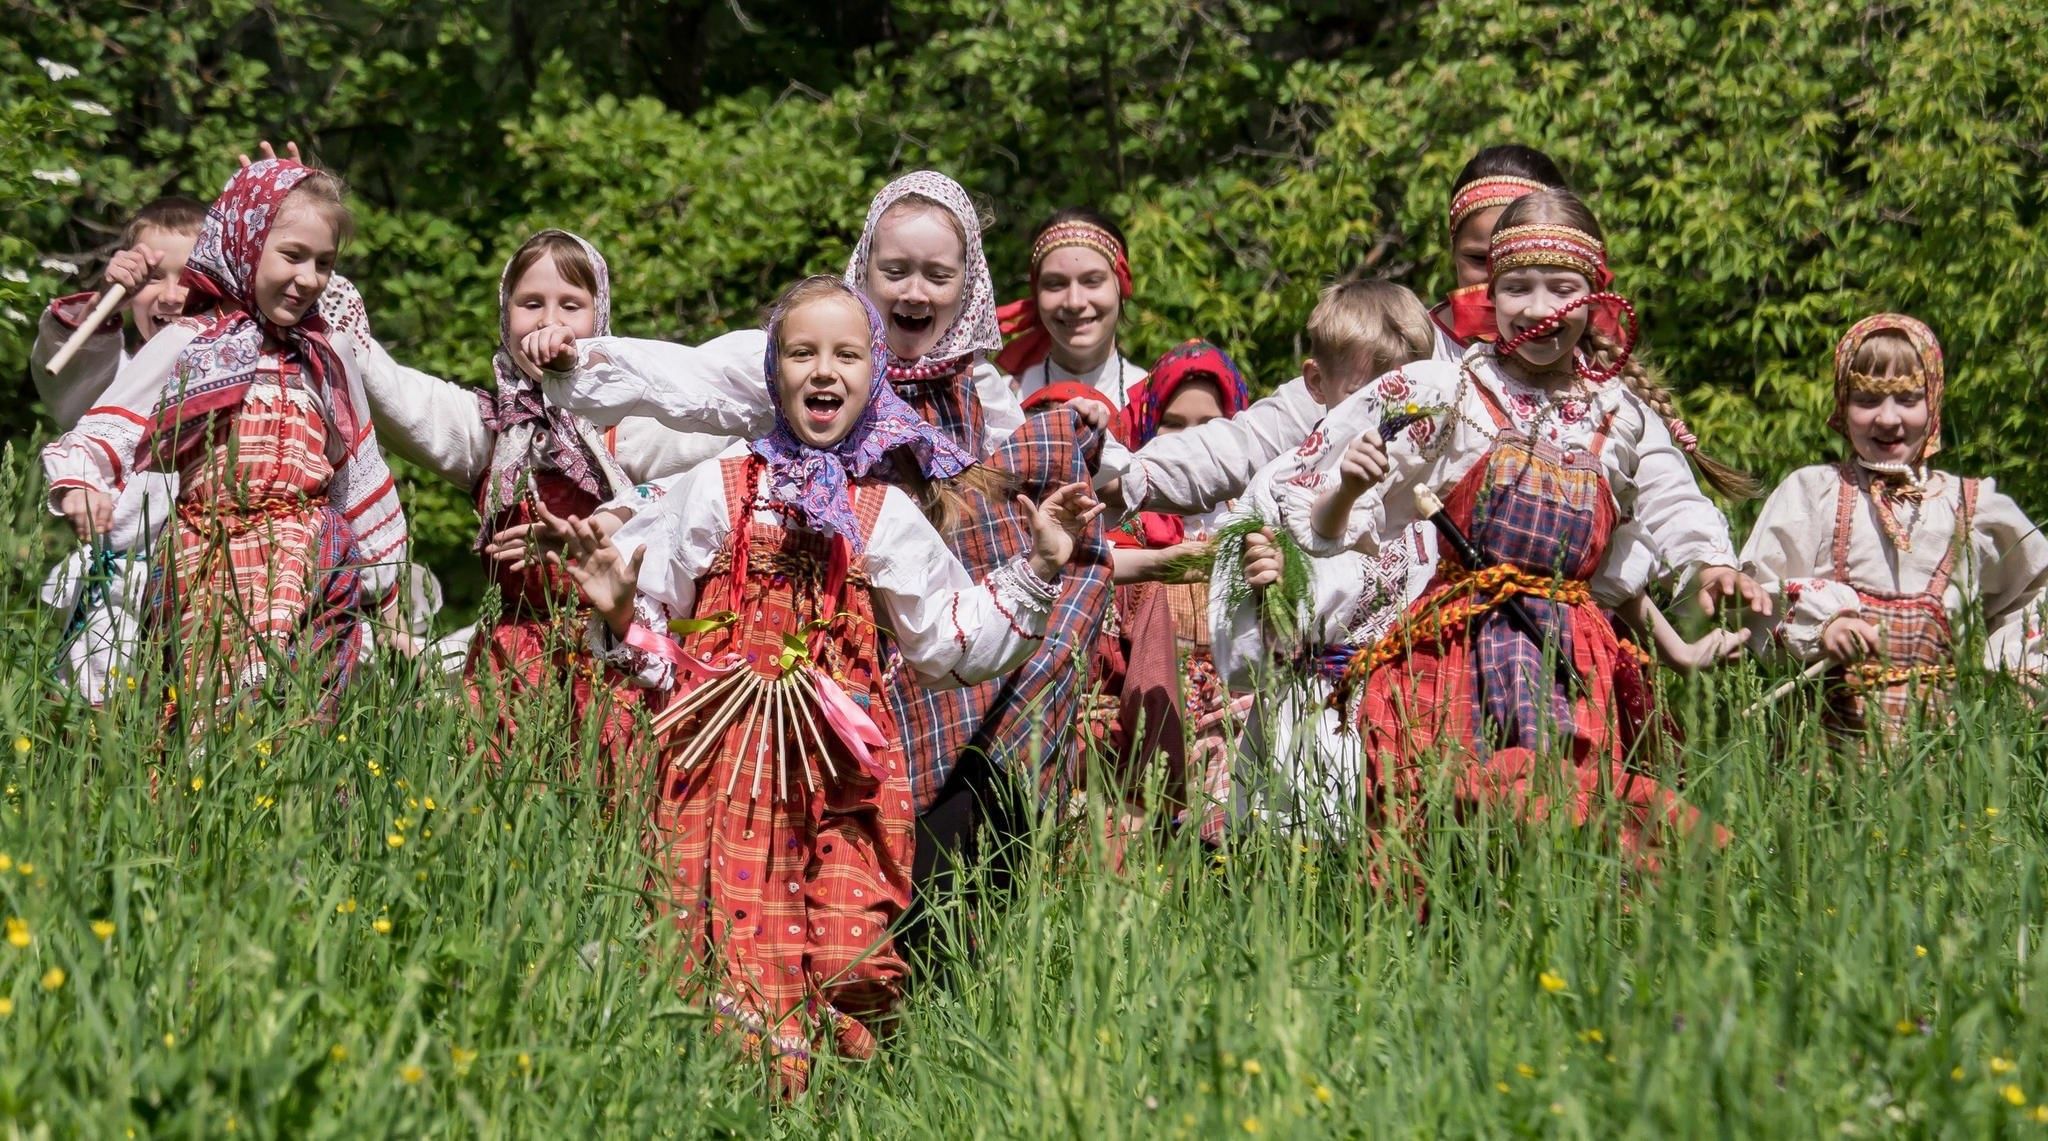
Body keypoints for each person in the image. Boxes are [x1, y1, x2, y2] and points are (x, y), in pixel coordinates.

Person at [552, 275, 1100, 1094]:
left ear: (873, 373)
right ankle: (725, 1096)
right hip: (723, 768)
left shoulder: (882, 512)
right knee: (722, 946)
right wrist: (624, 607)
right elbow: (655, 633)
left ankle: (832, 1102)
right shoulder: (721, 484)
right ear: (774, 371)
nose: (823, 370)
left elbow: (955, 641)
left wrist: (1041, 561)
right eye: (802, 352)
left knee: (841, 945)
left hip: (842, 778)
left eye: (846, 354)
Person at [1278, 189, 1763, 881]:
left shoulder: (1616, 412)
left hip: (1572, 652)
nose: (1539, 308)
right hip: (1459, 649)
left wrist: (1712, 566)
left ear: (1596, 298)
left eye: (1561, 288)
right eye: (1517, 287)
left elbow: (1671, 498)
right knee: (1461, 818)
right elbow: (1320, 511)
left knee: (1574, 820)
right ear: (1489, 293)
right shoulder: (1445, 391)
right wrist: (1349, 488)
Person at [41, 158, 409, 720]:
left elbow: (357, 473)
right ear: (245, 242)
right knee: (209, 715)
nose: (308, 277)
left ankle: (299, 803)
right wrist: (80, 488)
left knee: (299, 716)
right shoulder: (193, 343)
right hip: (209, 557)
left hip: (310, 555)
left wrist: (388, 603)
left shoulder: (325, 353)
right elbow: (102, 430)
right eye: (292, 255)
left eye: (324, 263)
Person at [356, 229, 730, 782]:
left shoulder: (628, 426)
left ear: (598, 320)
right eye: (531, 304)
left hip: (612, 655)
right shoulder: (489, 427)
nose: (548, 320)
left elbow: (722, 429)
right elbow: (399, 395)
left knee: (609, 814)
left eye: (570, 305)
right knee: (509, 820)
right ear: (505, 316)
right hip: (508, 664)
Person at [1110, 144, 1570, 523]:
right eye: (1479, 259)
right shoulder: (1399, 349)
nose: (1499, 282)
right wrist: (1122, 475)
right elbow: (1250, 442)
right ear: (1451, 250)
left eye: (1533, 264)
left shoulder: (1599, 386)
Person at [1740, 313, 2048, 740]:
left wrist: (2021, 674)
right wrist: (1824, 626)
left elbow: (2035, 589)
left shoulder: (1973, 509)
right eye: (1866, 400)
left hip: (1938, 751)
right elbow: (1757, 595)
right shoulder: (1814, 494)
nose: (1887, 418)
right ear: (1842, 404)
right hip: (1817, 754)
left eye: (1907, 399)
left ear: (1934, 402)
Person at [995, 207, 1148, 407]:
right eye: (1055, 284)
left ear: (1123, 286)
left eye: (1092, 281)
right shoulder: (1003, 404)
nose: (1074, 302)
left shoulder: (1156, 401)